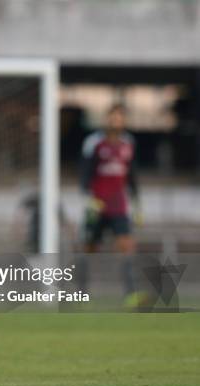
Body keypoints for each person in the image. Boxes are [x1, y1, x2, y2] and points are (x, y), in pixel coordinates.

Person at [79, 104, 142, 302]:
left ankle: (130, 293)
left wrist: (137, 203)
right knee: (89, 248)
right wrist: (89, 199)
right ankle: (81, 292)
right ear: (107, 119)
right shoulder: (94, 142)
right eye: (112, 117)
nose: (116, 121)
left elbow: (131, 176)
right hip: (98, 204)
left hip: (119, 205)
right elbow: (85, 173)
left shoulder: (128, 143)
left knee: (127, 246)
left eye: (119, 118)